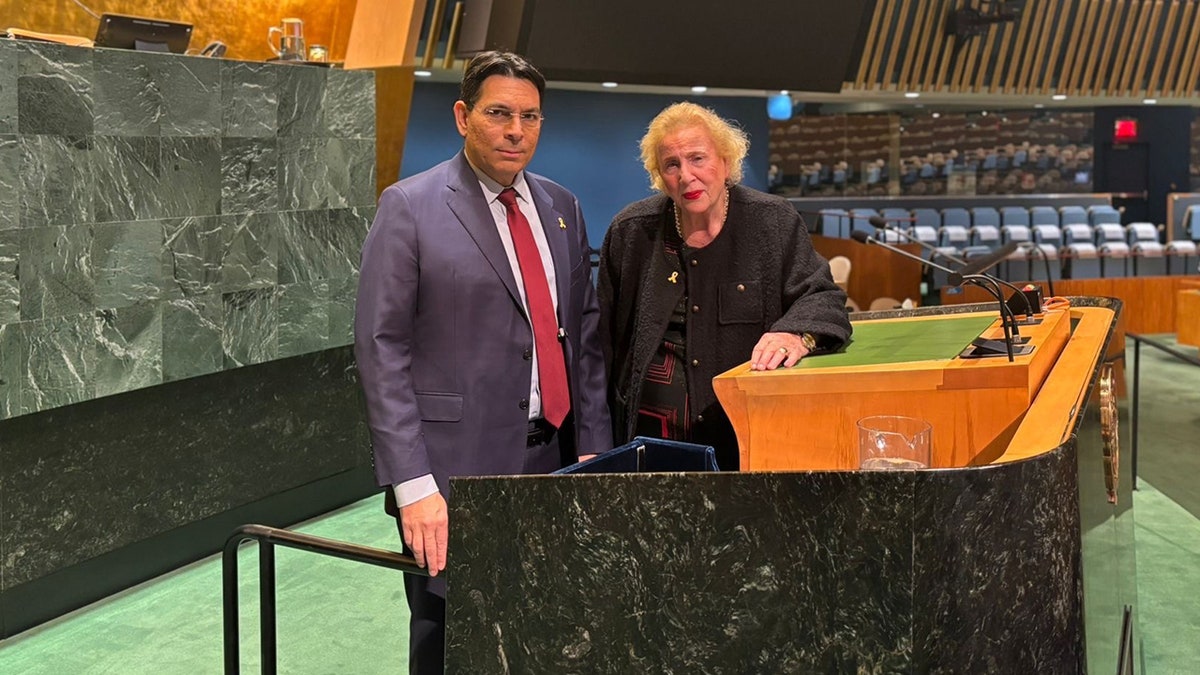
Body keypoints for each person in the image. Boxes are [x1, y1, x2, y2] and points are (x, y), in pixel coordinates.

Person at [354, 51, 611, 674]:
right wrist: (413, 485)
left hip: (551, 458)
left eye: (529, 116)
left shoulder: (562, 207)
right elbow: (379, 349)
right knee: (449, 637)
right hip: (451, 471)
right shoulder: (409, 206)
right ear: (464, 116)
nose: (515, 130)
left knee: (542, 626)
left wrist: (593, 448)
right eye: (499, 113)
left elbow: (583, 331)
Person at [598, 102, 852, 471]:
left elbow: (823, 296)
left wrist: (795, 334)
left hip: (747, 440)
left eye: (698, 158)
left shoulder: (773, 221)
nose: (686, 176)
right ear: (659, 175)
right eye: (672, 165)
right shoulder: (631, 231)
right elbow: (601, 341)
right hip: (651, 447)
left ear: (727, 162)